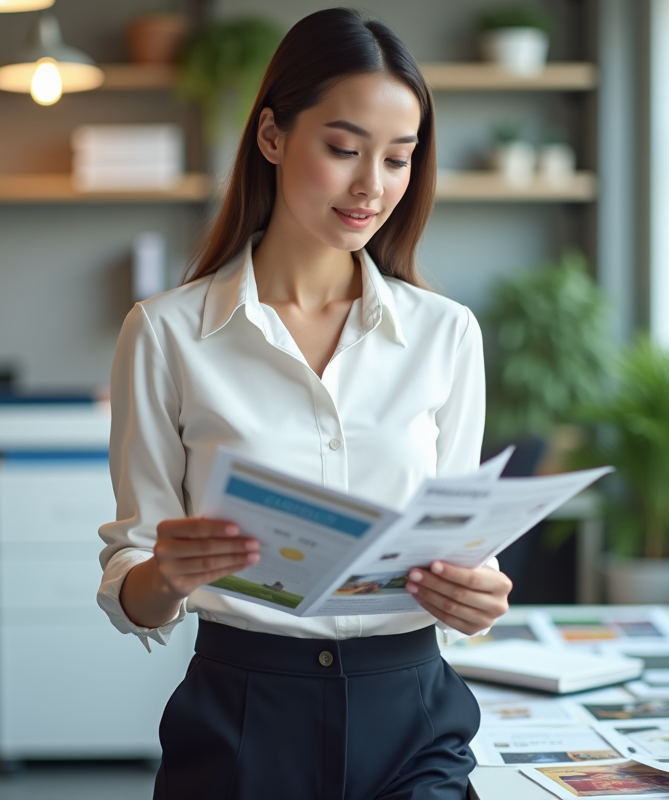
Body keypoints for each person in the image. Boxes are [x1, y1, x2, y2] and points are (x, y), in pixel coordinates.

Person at [97, 8, 513, 799]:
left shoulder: (446, 333)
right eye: (344, 149)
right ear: (272, 137)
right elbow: (133, 583)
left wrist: (478, 598)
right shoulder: (166, 333)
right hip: (244, 712)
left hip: (413, 713)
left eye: (399, 159)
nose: (372, 187)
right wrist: (167, 573)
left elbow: (464, 548)